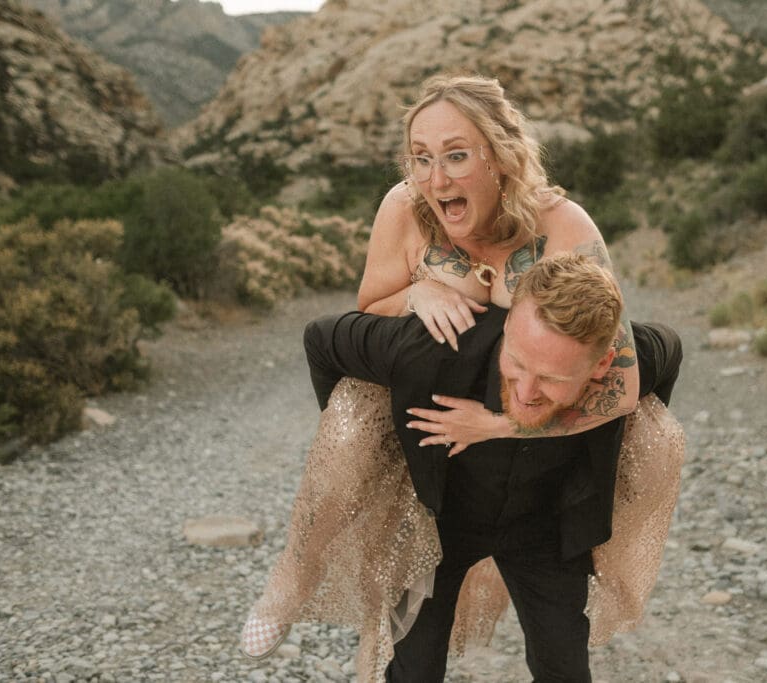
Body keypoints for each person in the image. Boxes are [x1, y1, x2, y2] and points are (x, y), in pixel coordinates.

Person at [240, 75, 682, 677]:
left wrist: (499, 425)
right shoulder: (402, 207)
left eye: (455, 155)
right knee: (411, 662)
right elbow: (369, 307)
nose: (435, 178)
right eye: (420, 158)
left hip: (538, 484)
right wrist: (418, 291)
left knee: (562, 660)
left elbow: (618, 380)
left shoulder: (564, 227)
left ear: (499, 157)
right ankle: (296, 569)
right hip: (439, 487)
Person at [301, 254, 683, 680]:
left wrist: (512, 427)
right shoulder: (429, 347)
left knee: (567, 670)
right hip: (438, 521)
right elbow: (320, 341)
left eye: (552, 379)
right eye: (517, 363)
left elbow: (671, 354)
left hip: (545, 528)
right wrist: (371, 452)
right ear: (506, 326)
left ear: (602, 365)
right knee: (414, 670)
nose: (527, 391)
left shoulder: (632, 365)